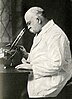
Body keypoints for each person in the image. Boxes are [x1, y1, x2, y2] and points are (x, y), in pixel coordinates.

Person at [15, 7, 72, 99]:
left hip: (54, 80)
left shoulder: (55, 34)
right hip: (45, 77)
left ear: (38, 20)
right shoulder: (42, 33)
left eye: (29, 23)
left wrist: (32, 67)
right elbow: (42, 57)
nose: (28, 27)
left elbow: (56, 64)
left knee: (21, 94)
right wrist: (27, 55)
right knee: (22, 93)